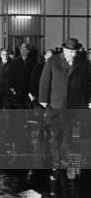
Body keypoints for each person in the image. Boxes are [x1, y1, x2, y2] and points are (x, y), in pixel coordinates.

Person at [39, 38, 91, 168]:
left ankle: (63, 160)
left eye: (75, 52)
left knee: (68, 134)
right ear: (64, 50)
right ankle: (54, 162)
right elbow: (45, 81)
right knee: (55, 134)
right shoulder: (53, 61)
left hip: (73, 105)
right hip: (56, 105)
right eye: (70, 52)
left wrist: (88, 101)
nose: (73, 54)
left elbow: (87, 84)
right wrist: (44, 100)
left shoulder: (83, 64)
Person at [11, 43, 37, 108]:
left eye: (25, 49)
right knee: (19, 106)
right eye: (22, 49)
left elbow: (34, 76)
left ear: (28, 51)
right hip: (18, 88)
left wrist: (34, 89)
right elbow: (12, 75)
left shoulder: (33, 62)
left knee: (28, 107)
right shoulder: (15, 61)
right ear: (20, 50)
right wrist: (11, 86)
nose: (23, 51)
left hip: (29, 88)